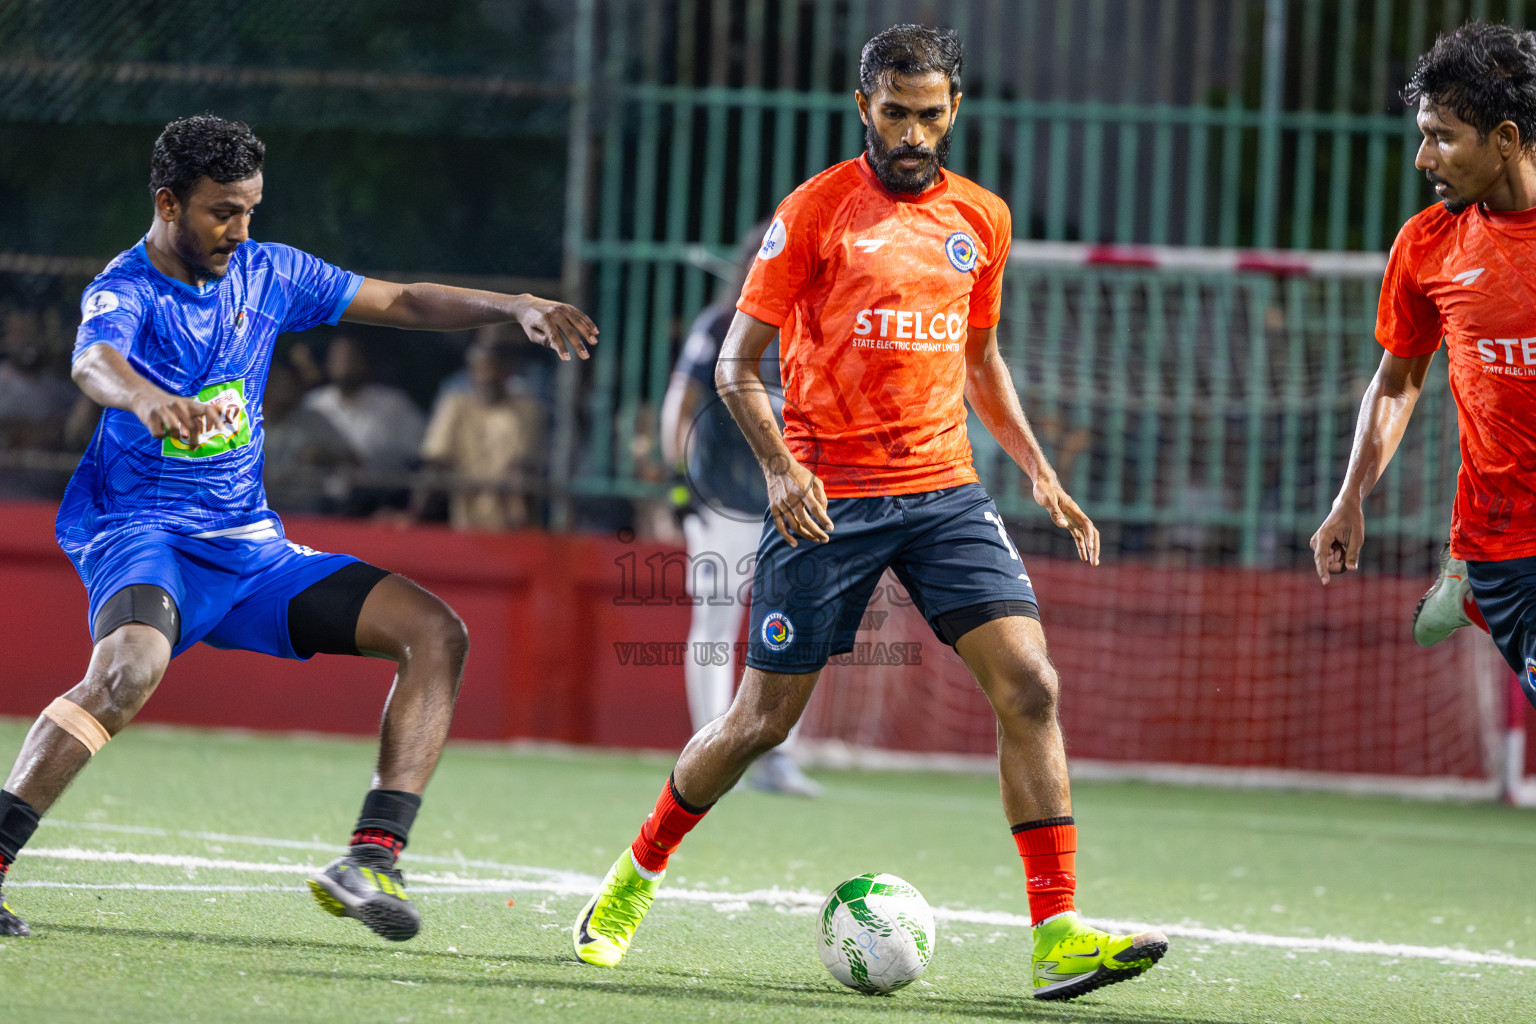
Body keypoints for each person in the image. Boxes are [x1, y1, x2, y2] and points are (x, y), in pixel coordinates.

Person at [571, 25, 1167, 1003]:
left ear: (956, 110)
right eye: (896, 113)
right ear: (864, 106)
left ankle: (1057, 932)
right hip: (827, 499)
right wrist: (780, 470)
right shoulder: (814, 213)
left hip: (945, 492)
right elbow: (735, 364)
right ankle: (634, 875)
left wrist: (1042, 472)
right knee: (760, 720)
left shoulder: (983, 218)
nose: (914, 133)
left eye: (932, 115)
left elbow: (980, 359)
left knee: (1032, 686)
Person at [0, 115, 597, 940]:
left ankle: (372, 858)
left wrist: (514, 305)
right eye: (221, 212)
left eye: (250, 210)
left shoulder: (268, 271)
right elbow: (92, 362)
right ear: (167, 203)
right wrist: (146, 399)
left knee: (436, 632)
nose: (240, 230)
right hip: (142, 532)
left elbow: (403, 300)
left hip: (250, 549)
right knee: (127, 673)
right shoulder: (124, 288)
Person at [1311, 21, 1536, 713]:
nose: (1421, 157)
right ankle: (1469, 589)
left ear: (1503, 140)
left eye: (1440, 136)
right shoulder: (1428, 245)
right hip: (1505, 548)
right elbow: (1397, 380)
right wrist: (1351, 496)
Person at [658, 226, 820, 797]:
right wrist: (679, 488)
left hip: (790, 504)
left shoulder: (811, 326)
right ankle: (709, 749)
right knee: (717, 626)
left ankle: (778, 755)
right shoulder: (716, 325)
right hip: (723, 502)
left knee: (798, 627)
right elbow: (679, 405)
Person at [416, 335, 547, 530]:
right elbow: (437, 458)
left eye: (494, 368)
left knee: (520, 483)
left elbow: (521, 465)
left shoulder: (527, 409)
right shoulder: (455, 405)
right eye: (480, 369)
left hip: (510, 517)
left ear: (508, 371)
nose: (487, 377)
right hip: (461, 512)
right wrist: (415, 515)